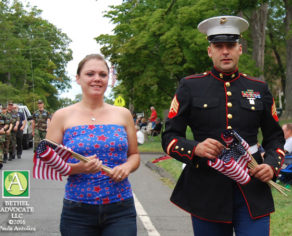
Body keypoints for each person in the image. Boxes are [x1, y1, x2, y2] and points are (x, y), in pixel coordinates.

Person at [161, 16, 285, 236]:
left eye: (230, 46)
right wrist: (195, 148)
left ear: (240, 49)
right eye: (219, 46)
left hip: (252, 187)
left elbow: (275, 137)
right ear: (210, 51)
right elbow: (169, 137)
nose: (225, 51)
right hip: (207, 191)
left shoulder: (259, 88)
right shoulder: (190, 86)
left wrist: (272, 165)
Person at [45, 54, 140, 235]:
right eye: (90, 74)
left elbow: (134, 155)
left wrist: (127, 167)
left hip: (120, 209)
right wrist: (78, 168)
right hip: (77, 211)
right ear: (78, 78)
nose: (97, 78)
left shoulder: (123, 114)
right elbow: (48, 159)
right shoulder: (62, 116)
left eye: (102, 75)